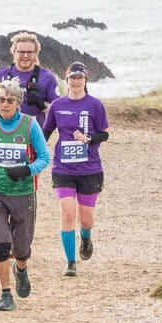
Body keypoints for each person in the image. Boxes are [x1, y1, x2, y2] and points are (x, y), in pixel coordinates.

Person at [0, 78, 51, 310]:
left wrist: (26, 169)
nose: (4, 104)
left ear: (19, 103)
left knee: (21, 248)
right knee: (0, 244)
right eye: (0, 99)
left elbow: (44, 157)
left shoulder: (29, 125)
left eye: (9, 100)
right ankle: (5, 295)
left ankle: (22, 268)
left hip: (23, 193)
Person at [40, 62, 109, 276]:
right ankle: (70, 262)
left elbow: (104, 134)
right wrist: (33, 151)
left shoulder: (94, 105)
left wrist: (88, 138)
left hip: (89, 169)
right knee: (67, 214)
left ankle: (86, 237)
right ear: (66, 80)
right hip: (63, 169)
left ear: (86, 80)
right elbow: (45, 132)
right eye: (72, 77)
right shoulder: (57, 105)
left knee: (85, 219)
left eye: (80, 77)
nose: (76, 81)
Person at [0, 30, 59, 125]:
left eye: (29, 52)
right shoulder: (0, 74)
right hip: (6, 131)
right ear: (14, 52)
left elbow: (57, 110)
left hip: (34, 134)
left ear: (35, 53)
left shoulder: (48, 78)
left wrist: (42, 104)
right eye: (21, 52)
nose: (25, 55)